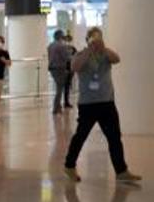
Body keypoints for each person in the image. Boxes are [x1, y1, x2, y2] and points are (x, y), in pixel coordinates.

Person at [62, 28, 143, 184]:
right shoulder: (81, 54)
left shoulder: (106, 54)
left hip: (107, 103)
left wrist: (103, 48)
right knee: (81, 136)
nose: (96, 42)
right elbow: (75, 67)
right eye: (93, 38)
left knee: (114, 137)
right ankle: (69, 165)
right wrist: (89, 50)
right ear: (87, 40)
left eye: (98, 38)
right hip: (88, 105)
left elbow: (117, 59)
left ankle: (121, 171)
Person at [48, 29, 74, 114]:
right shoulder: (61, 46)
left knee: (59, 88)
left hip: (52, 68)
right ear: (60, 36)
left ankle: (58, 107)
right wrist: (71, 55)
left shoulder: (50, 45)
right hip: (59, 68)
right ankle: (56, 108)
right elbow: (67, 57)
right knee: (59, 89)